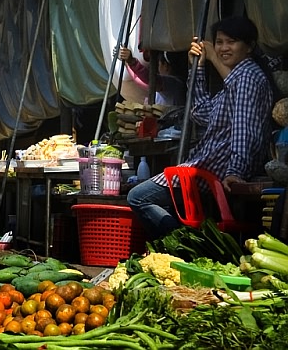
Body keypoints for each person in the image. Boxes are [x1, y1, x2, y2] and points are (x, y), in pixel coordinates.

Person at [127, 16, 274, 239]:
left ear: (249, 46)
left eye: (231, 42)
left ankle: (189, 243)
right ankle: (188, 240)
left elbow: (245, 131)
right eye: (219, 42)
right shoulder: (235, 80)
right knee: (156, 202)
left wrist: (236, 171)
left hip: (215, 168)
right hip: (207, 166)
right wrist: (198, 68)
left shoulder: (247, 77)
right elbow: (201, 113)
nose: (224, 48)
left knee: (139, 197)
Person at [117, 47, 186, 105]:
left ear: (165, 65)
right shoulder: (176, 85)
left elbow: (151, 80)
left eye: (159, 64)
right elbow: (143, 82)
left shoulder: (174, 84)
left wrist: (132, 62)